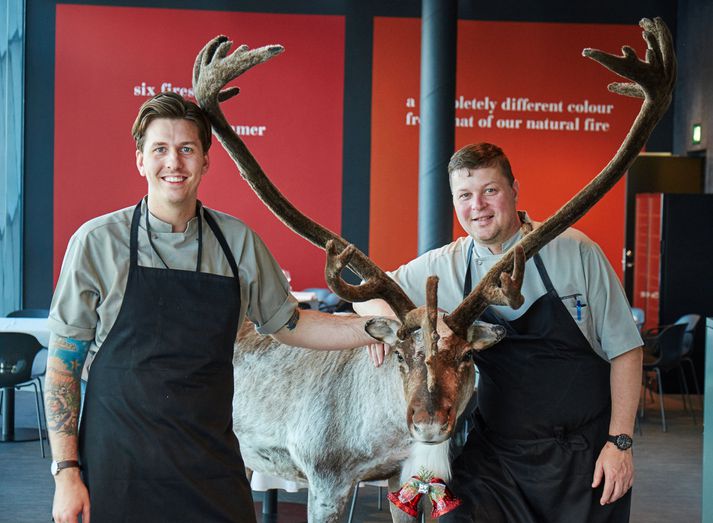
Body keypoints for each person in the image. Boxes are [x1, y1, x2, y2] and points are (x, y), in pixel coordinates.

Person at [45, 92, 382, 523]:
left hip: (210, 467)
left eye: (187, 149)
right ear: (140, 160)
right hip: (118, 467)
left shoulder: (236, 242)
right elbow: (62, 368)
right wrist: (66, 474)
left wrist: (374, 327)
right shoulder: (96, 243)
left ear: (206, 161)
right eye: (160, 150)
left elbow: (292, 324)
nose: (174, 162)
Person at [354, 142, 643, 522]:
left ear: (514, 190)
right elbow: (365, 295)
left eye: (490, 190)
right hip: (498, 459)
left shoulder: (576, 252)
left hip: (581, 458)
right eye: (465, 195)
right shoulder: (450, 263)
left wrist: (619, 443)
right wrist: (394, 327)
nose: (478, 206)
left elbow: (627, 351)